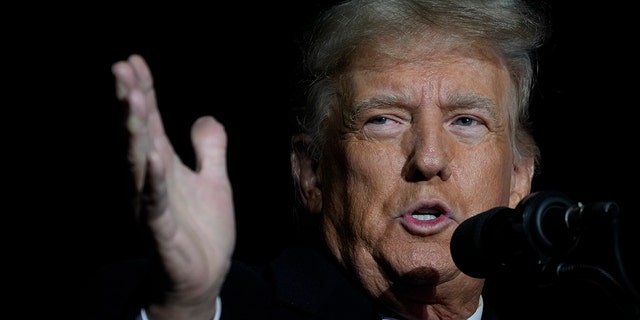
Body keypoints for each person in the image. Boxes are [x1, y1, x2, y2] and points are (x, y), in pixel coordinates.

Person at [99, 0, 621, 319]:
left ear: (519, 178)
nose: (429, 158)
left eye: (466, 120)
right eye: (384, 119)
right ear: (312, 172)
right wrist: (186, 307)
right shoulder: (227, 305)